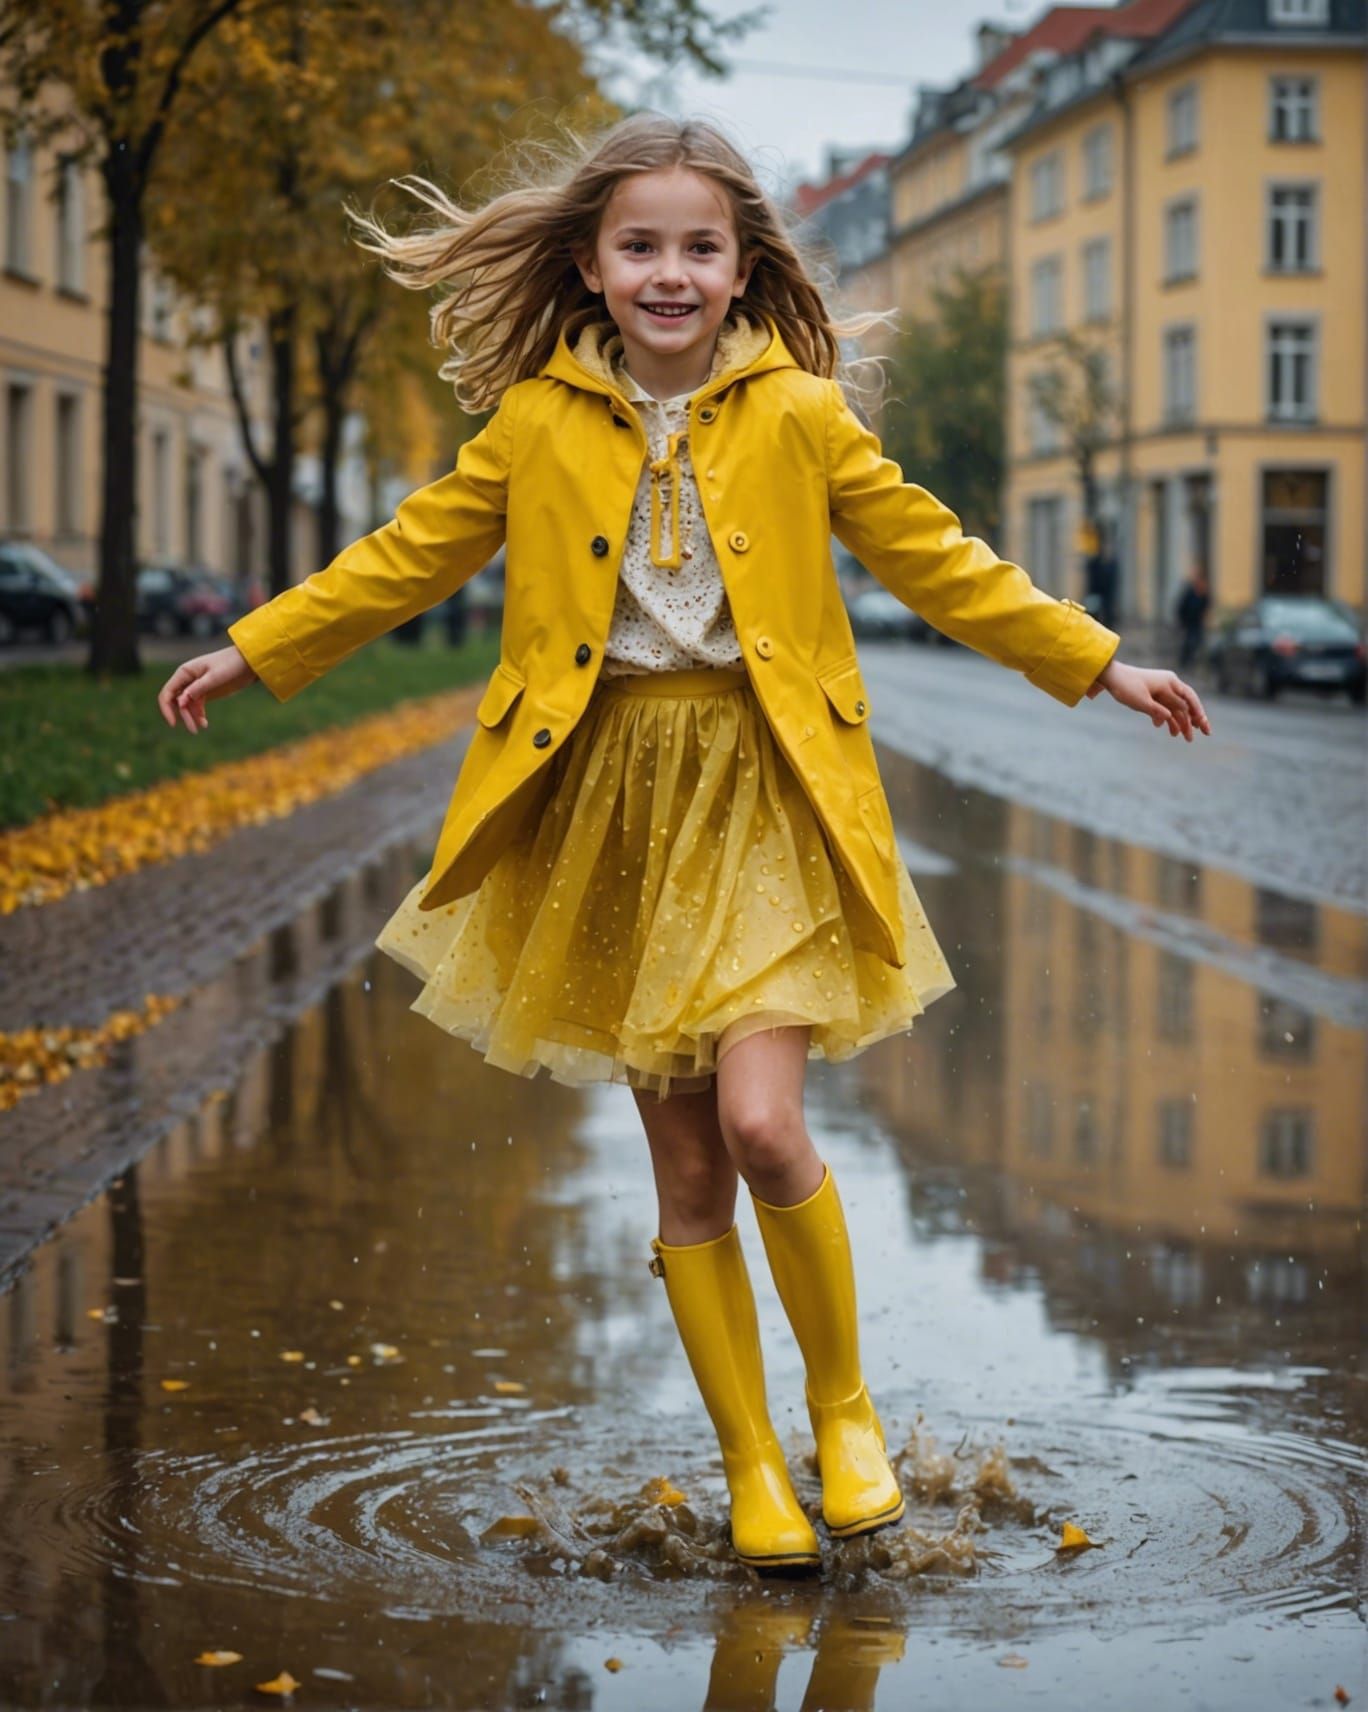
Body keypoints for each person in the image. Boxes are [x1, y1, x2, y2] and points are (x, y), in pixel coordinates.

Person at [156, 113, 1211, 1576]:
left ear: (740, 266)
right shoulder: (535, 421)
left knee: (766, 1123)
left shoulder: (801, 413)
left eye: (698, 247)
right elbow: (411, 550)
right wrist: (259, 648)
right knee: (689, 1175)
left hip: (767, 788)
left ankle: (844, 1414)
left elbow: (935, 554)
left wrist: (1097, 660)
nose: (669, 270)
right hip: (609, 812)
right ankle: (753, 1468)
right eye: (640, 245)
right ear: (590, 264)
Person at [1174, 567, 1210, 668]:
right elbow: (1182, 607)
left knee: (1197, 641)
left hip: (1197, 623)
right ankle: (1185, 662)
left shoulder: (1204, 595)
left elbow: (1206, 607)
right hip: (1188, 622)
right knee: (1188, 642)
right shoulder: (1189, 593)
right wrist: (1182, 621)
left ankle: (1193, 661)